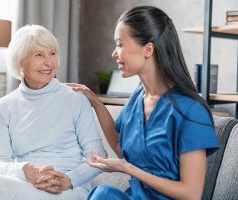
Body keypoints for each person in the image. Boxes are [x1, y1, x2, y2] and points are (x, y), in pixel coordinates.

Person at [66, 6, 220, 200]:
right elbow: (118, 145)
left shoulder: (190, 111)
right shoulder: (137, 98)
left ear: (148, 49)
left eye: (120, 44)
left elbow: (191, 194)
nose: (114, 53)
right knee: (102, 195)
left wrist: (129, 169)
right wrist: (95, 102)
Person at [0, 24, 107, 200]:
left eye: (52, 53)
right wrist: (25, 171)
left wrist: (68, 179)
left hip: (70, 189)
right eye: (39, 55)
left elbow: (98, 156)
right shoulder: (4, 107)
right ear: (20, 62)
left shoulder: (75, 99)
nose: (49, 62)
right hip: (26, 186)